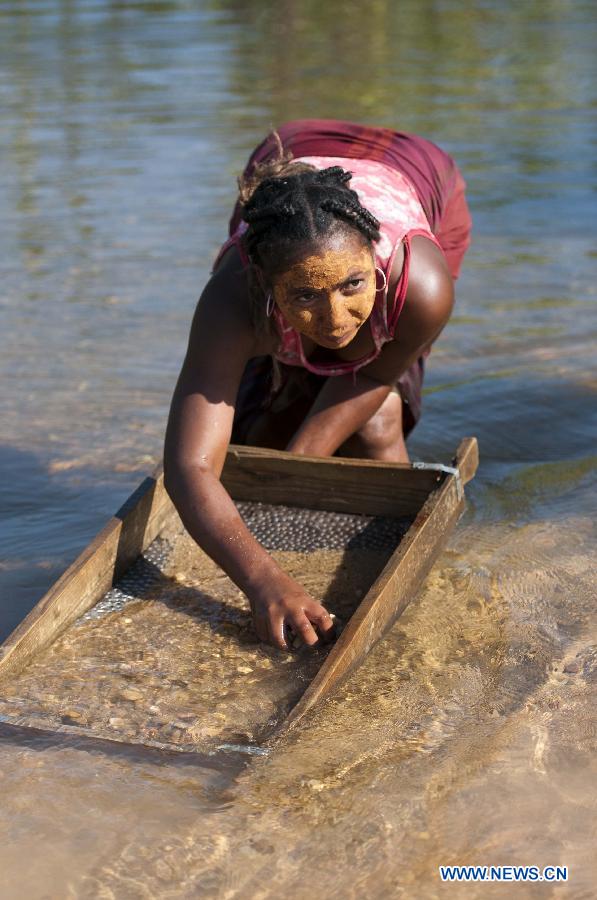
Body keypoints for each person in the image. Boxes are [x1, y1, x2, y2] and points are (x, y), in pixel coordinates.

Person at [164, 118, 472, 651]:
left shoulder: (421, 287)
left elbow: (377, 369)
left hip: (419, 165)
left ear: (373, 260)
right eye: (305, 296)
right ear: (264, 285)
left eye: (353, 285)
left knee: (377, 421)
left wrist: (296, 472)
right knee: (259, 429)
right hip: (288, 154)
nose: (334, 319)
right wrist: (264, 581)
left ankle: (414, 585)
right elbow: (189, 467)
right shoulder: (233, 299)